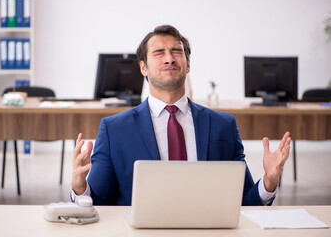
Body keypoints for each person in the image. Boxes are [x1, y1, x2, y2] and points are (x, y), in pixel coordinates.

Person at [71, 25, 291, 206]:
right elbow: (100, 203)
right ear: (143, 68)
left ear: (188, 65)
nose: (169, 59)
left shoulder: (223, 125)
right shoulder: (114, 129)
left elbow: (244, 203)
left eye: (177, 52)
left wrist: (269, 182)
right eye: (159, 53)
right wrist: (80, 188)